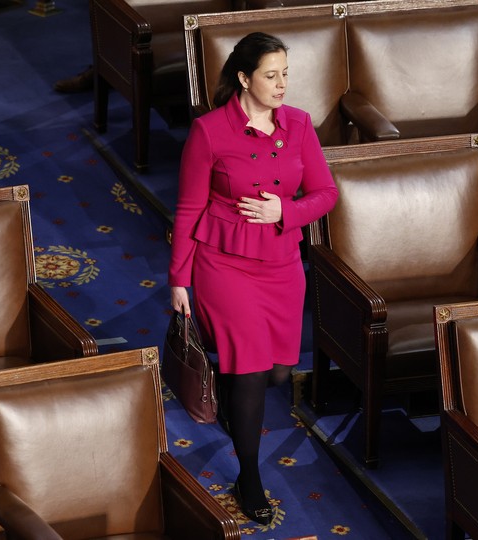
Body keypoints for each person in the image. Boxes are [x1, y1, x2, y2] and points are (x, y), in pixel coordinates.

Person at [168, 32, 338, 525]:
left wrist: (284, 210)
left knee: (277, 374)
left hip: (282, 263)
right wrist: (179, 278)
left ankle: (232, 390)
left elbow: (326, 194)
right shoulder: (209, 132)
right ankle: (249, 476)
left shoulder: (300, 125)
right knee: (248, 374)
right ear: (244, 78)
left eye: (286, 73)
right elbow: (188, 208)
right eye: (271, 75)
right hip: (224, 264)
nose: (282, 84)